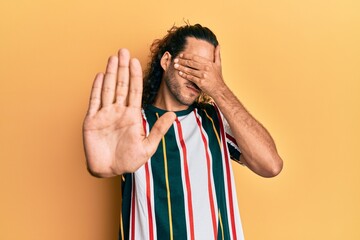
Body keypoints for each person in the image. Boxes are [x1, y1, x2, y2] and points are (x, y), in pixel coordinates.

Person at [83, 24, 283, 240]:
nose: (198, 78)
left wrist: (219, 89)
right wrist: (105, 166)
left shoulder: (214, 120)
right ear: (166, 61)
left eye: (207, 71)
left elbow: (270, 165)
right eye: (192, 66)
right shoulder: (131, 124)